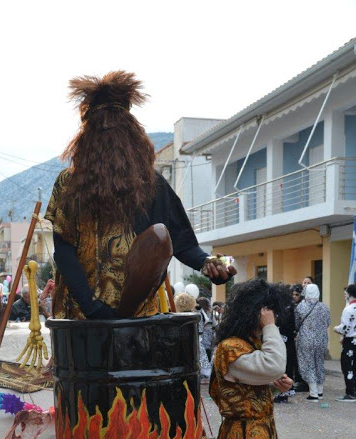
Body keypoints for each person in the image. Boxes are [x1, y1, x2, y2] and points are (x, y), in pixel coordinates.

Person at [43, 71, 235, 321]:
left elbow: (182, 241)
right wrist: (91, 305)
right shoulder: (68, 184)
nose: (111, 139)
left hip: (137, 314)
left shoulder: (151, 183)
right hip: (81, 317)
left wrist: (210, 262)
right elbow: (64, 250)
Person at [209, 279, 293, 439]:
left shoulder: (244, 345)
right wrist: (270, 327)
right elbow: (274, 364)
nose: (274, 318)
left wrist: (272, 385)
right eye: (270, 312)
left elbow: (259, 378)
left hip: (258, 438)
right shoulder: (231, 348)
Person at [295, 283, 330, 401]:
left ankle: (313, 393)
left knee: (308, 364)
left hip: (306, 340)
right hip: (322, 340)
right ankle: (320, 392)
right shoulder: (324, 307)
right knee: (319, 363)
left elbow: (296, 323)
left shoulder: (301, 306)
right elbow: (328, 322)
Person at [333, 283, 356, 402]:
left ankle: (350, 393)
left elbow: (345, 328)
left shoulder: (348, 309)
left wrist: (336, 328)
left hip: (350, 341)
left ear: (349, 294)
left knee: (347, 366)